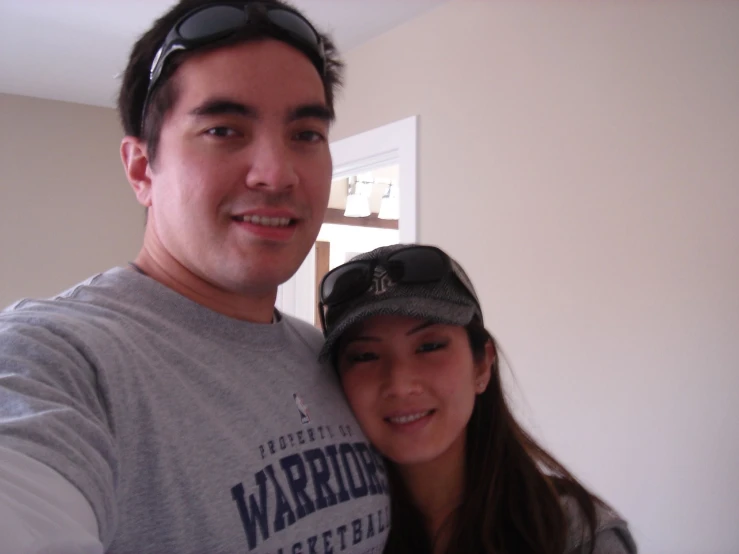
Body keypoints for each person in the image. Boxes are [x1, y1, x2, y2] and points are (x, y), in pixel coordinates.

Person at [0, 2, 389, 553]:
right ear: (141, 169)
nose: (277, 174)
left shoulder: (321, 353)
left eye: (306, 134)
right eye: (224, 129)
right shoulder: (54, 359)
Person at [318, 244, 638, 554]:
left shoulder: (577, 536)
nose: (400, 384)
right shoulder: (328, 535)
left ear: (482, 364)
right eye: (365, 356)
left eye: (429, 347)